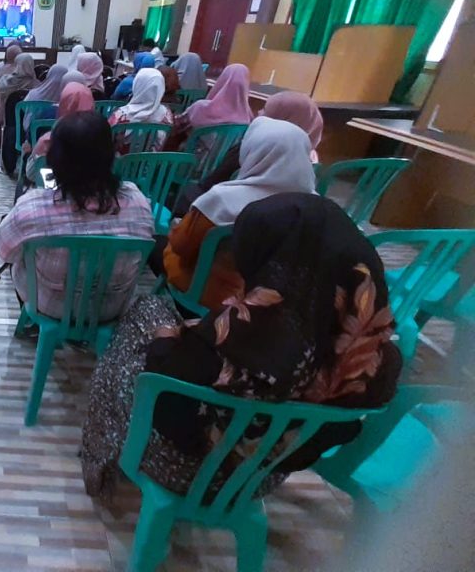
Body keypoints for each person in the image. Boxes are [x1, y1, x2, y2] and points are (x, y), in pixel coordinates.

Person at [81, 192, 402, 499]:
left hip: (188, 473)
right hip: (261, 479)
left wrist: (166, 337)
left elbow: (165, 390)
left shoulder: (236, 340)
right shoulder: (376, 360)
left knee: (146, 317)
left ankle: (99, 453)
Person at [0, 112, 155, 321]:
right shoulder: (138, 202)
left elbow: (4, 250)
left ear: (54, 159)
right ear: (112, 155)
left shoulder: (34, 206)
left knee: (21, 257)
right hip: (111, 309)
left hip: (51, 306)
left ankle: (34, 324)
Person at [163, 117, 317, 313]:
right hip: (274, 305)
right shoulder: (315, 206)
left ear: (252, 151)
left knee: (163, 245)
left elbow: (182, 247)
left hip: (210, 294)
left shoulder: (222, 199)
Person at [173, 91, 325, 217]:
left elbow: (213, 182)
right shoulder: (311, 157)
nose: (259, 112)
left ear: (283, 116)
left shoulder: (254, 148)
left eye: (265, 109)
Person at [164, 63, 252, 151]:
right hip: (224, 159)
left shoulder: (201, 108)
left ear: (222, 80)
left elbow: (176, 126)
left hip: (190, 157)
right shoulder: (248, 118)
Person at [25, 81, 93, 183]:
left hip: (58, 190)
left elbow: (31, 174)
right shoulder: (101, 135)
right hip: (94, 190)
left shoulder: (49, 140)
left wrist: (27, 155)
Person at [107, 68, 173, 153]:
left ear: (137, 85)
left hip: (121, 160)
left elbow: (106, 139)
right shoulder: (166, 114)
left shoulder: (121, 114)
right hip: (152, 161)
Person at [21, 64, 68, 128]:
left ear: (48, 75)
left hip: (33, 131)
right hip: (59, 131)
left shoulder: (33, 93)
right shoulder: (67, 96)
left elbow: (24, 108)